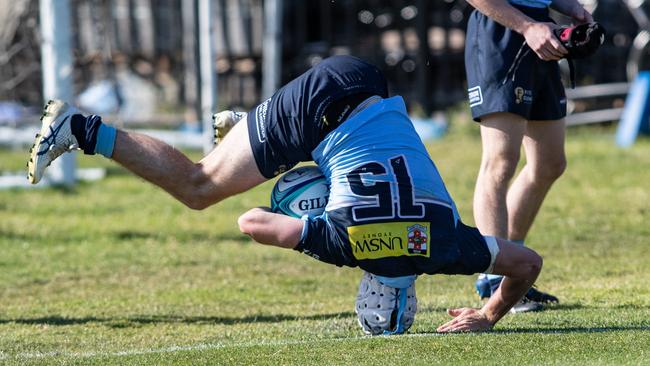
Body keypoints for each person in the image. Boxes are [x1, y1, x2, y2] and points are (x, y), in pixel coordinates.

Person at [28, 55, 542, 333]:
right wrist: (304, 228)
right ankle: (83, 128)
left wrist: (489, 312)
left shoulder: (447, 246)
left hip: (369, 84)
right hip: (320, 109)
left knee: (325, 178)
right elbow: (251, 221)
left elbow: (527, 263)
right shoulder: (344, 245)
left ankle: (252, 132)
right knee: (200, 187)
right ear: (369, 292)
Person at [464, 0, 593, 311]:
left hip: (540, 27)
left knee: (549, 163)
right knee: (500, 161)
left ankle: (513, 273)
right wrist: (525, 26)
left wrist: (571, 8)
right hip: (502, 30)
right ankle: (495, 275)